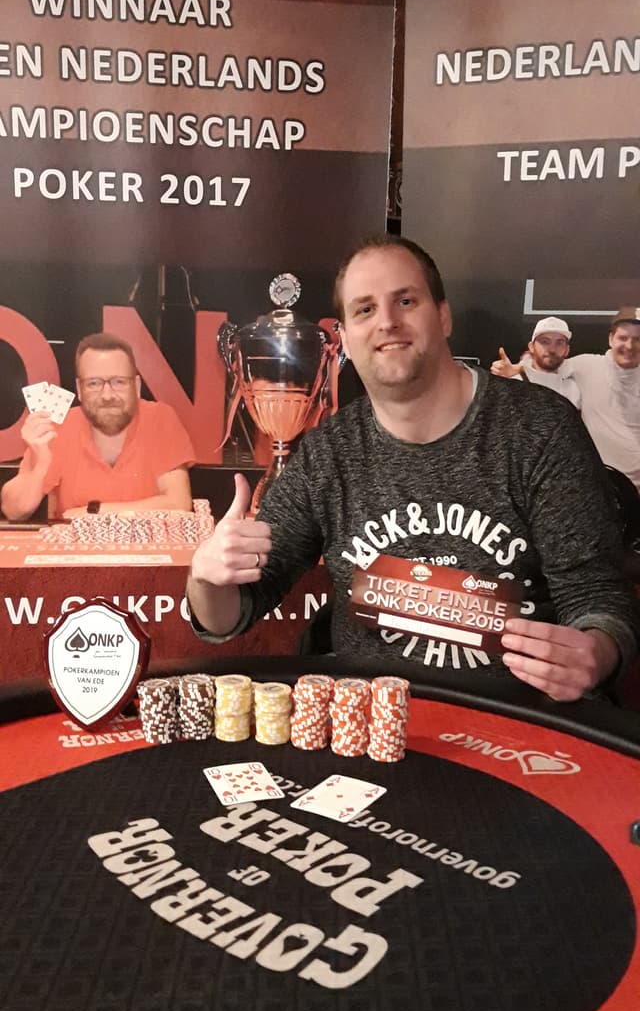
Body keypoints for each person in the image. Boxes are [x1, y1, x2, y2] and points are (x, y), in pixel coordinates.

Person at [187, 235, 639, 703]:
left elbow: (599, 601)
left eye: (405, 301)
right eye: (364, 309)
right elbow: (231, 614)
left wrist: (595, 652)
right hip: (370, 721)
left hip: (521, 717)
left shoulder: (539, 428)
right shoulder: (327, 453)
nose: (387, 321)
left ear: (443, 317)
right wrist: (206, 578)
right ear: (344, 339)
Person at [1, 332, 195, 520]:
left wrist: (93, 513)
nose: (107, 395)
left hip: (145, 542)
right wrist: (40, 466)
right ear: (79, 389)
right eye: (94, 383)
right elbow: (14, 511)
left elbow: (178, 504)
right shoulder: (57, 428)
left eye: (119, 382)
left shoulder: (160, 418)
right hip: (75, 543)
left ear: (136, 386)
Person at [492, 309, 640, 492]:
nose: (630, 345)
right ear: (611, 339)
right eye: (623, 338)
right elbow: (545, 365)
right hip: (594, 484)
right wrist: (517, 369)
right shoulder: (587, 366)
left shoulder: (574, 383)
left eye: (637, 339)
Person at [491, 317, 581, 407]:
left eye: (559, 343)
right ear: (531, 347)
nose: (552, 349)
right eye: (545, 342)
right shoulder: (513, 385)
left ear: (567, 350)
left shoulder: (572, 390)